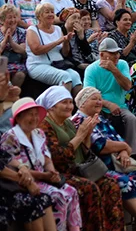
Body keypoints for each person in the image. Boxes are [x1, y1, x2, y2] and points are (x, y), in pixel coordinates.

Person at [70, 89, 136, 231]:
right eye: (94, 99)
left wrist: (124, 151)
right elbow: (99, 146)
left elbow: (120, 141)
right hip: (97, 169)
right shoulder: (78, 120)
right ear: (82, 103)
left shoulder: (101, 119)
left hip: (115, 165)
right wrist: (124, 146)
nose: (99, 102)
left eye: (100, 99)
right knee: (124, 182)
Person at [36, 87, 124, 231]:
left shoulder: (67, 123)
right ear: (52, 106)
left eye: (70, 102)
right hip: (59, 173)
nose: (70, 106)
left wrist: (87, 134)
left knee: (111, 184)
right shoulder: (45, 125)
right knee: (90, 188)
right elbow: (57, 157)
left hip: (77, 168)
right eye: (64, 102)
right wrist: (79, 136)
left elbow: (84, 151)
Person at [0, 98, 82, 231]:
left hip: (43, 179)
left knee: (71, 192)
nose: (35, 118)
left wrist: (52, 173)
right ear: (19, 117)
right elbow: (13, 167)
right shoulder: (10, 137)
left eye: (36, 114)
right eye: (30, 114)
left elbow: (47, 159)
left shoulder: (38, 133)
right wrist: (44, 176)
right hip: (24, 182)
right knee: (58, 196)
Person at [26, 4, 81, 94]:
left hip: (58, 64)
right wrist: (57, 42)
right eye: (47, 12)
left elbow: (65, 53)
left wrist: (66, 41)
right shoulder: (32, 30)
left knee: (75, 75)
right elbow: (36, 50)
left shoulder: (57, 29)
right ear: (39, 16)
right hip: (38, 65)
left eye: (52, 12)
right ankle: (61, 105)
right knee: (65, 76)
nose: (51, 14)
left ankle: (80, 106)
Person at [0, 143, 55, 231]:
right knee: (30, 203)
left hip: (7, 188)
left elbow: (6, 157)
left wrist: (22, 167)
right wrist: (27, 181)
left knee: (44, 198)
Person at [0, 5, 28, 88]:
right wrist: (5, 41)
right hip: (1, 62)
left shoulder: (22, 32)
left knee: (20, 74)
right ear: (2, 20)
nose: (13, 20)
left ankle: (10, 94)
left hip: (16, 62)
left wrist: (11, 42)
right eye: (9, 17)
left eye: (15, 17)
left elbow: (23, 50)